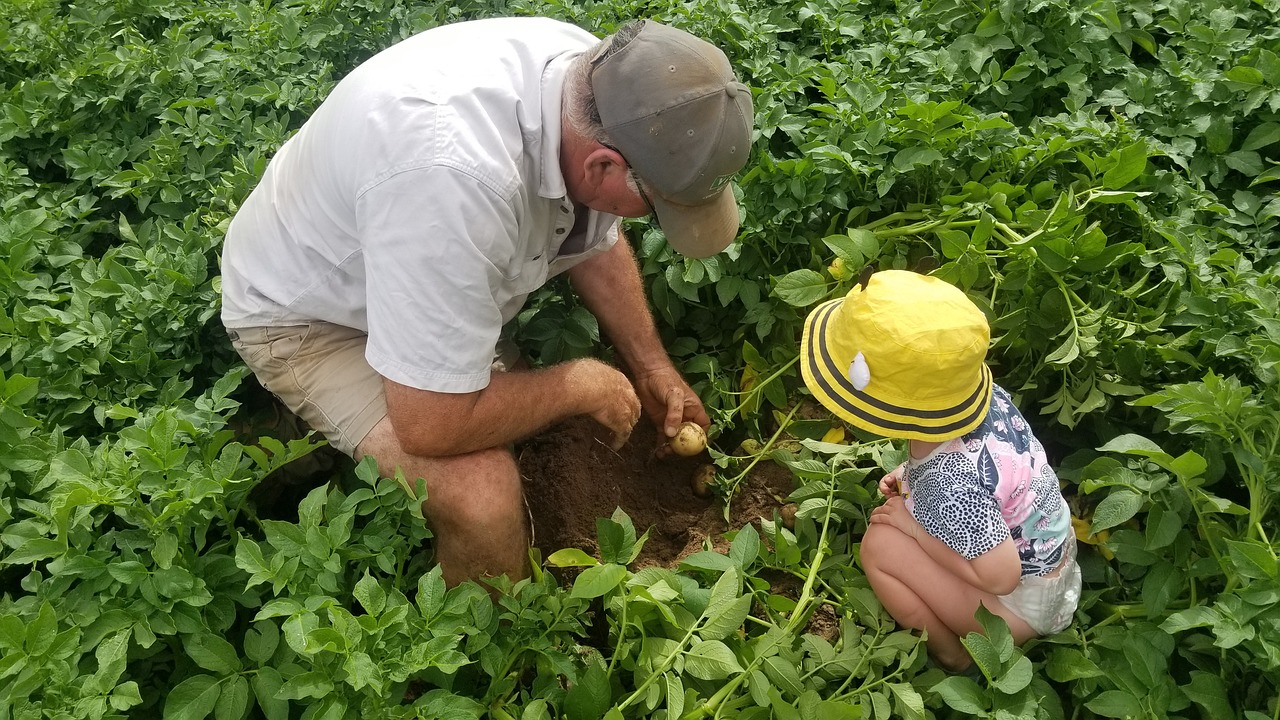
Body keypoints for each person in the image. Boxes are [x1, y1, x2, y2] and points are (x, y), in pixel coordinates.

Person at [219, 17, 755, 587]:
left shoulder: (598, 82)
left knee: (524, 416)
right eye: (655, 205)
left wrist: (651, 365)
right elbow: (433, 424)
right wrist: (578, 382)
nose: (647, 218)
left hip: (411, 253)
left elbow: (596, 234)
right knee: (483, 495)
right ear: (603, 166)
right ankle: (485, 661)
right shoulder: (450, 181)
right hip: (312, 317)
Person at [799, 270, 1080, 672]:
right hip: (1053, 564)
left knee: (879, 547)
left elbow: (1001, 576)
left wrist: (913, 529)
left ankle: (955, 656)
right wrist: (909, 476)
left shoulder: (949, 480)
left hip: (1017, 605)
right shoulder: (978, 404)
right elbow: (982, 476)